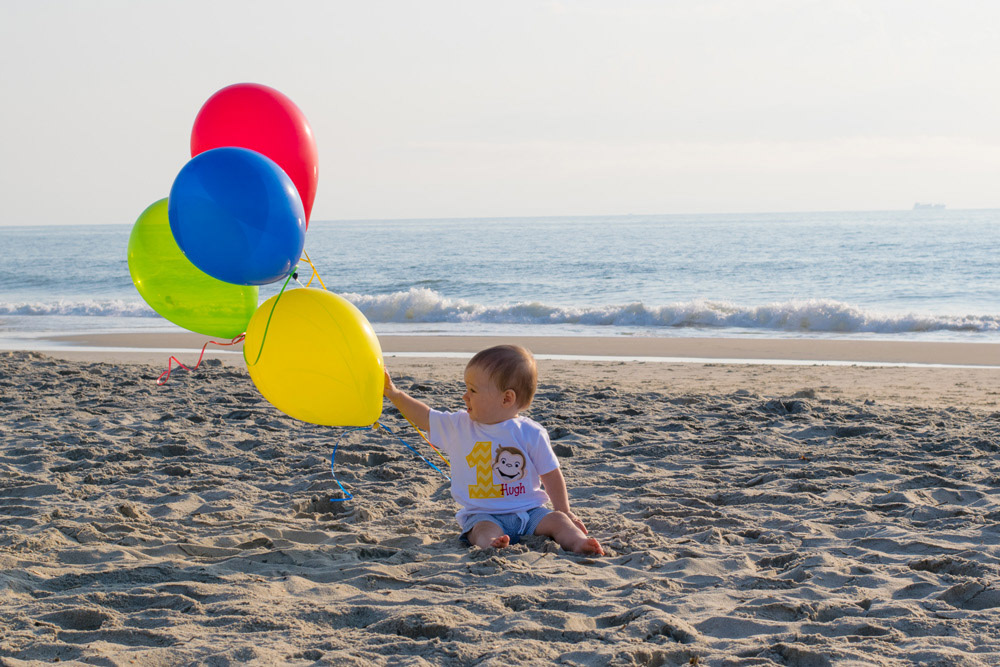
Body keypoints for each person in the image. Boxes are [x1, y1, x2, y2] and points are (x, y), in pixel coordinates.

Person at [383, 344, 604, 556]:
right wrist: (395, 394)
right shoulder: (460, 425)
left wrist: (563, 510)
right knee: (480, 531)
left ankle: (578, 543)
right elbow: (426, 417)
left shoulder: (530, 432)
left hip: (530, 512)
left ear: (507, 398)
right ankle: (492, 544)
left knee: (559, 522)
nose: (464, 396)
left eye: (473, 390)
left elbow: (551, 474)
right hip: (484, 513)